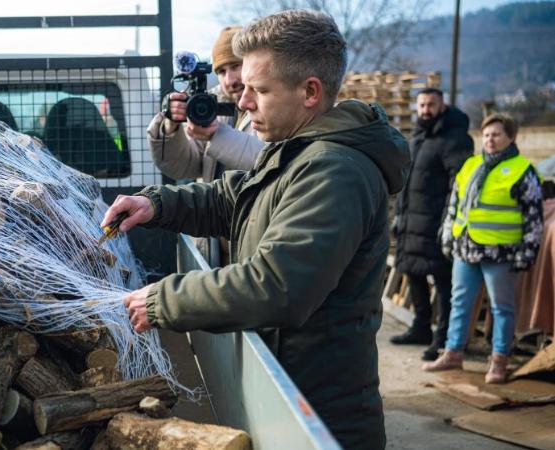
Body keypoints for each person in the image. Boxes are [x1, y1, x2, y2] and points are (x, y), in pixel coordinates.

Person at [103, 10, 409, 449]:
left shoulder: (333, 171)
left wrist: (162, 300)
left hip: (316, 417)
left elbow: (277, 285)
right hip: (284, 395)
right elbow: (233, 198)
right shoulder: (295, 150)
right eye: (243, 87)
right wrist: (155, 203)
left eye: (259, 90)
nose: (242, 102)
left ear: (309, 91)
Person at [423, 113, 543, 384]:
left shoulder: (522, 170)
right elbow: (454, 205)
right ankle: (453, 352)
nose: (490, 139)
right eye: (486, 135)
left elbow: (533, 216)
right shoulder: (471, 165)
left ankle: (499, 361)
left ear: (511, 137)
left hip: (501, 252)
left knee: (501, 308)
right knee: (460, 303)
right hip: (467, 248)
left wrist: (528, 251)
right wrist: (448, 235)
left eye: (496, 134)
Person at [390, 88, 474, 361]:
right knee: (412, 273)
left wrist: (447, 223)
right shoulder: (418, 136)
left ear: (442, 106)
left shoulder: (454, 138)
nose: (425, 109)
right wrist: (399, 215)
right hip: (412, 219)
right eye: (422, 104)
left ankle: (444, 336)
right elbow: (407, 179)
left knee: (444, 282)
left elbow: (458, 184)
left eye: (431, 105)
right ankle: (421, 327)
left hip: (436, 222)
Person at [148, 25, 264, 182]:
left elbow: (271, 162)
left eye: (236, 66)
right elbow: (183, 167)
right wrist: (170, 127)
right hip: (215, 206)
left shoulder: (273, 105)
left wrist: (217, 135)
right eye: (221, 71)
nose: (230, 80)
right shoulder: (209, 105)